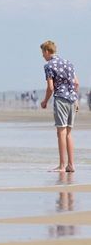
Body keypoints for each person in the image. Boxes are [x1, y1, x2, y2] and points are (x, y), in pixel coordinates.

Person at [39, 40, 80, 173]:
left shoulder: (49, 65)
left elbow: (50, 87)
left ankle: (62, 165)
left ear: (46, 51)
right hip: (72, 99)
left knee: (61, 132)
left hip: (61, 99)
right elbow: (76, 83)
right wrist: (76, 100)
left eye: (42, 53)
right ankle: (71, 165)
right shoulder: (69, 63)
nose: (42, 56)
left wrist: (45, 101)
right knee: (68, 133)